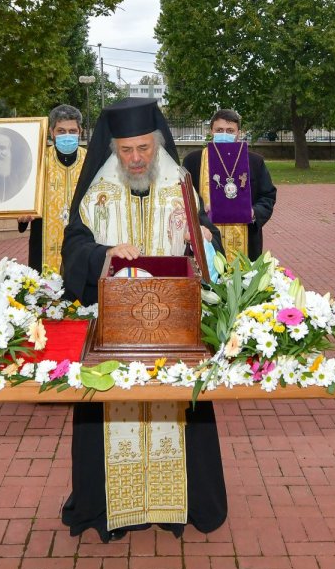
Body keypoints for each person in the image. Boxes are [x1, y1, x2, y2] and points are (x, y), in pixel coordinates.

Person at [60, 97, 227, 542]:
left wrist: (206, 239)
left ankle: (182, 503)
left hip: (174, 328)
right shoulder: (96, 192)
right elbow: (72, 253)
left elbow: (212, 254)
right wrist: (104, 254)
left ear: (157, 145)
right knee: (110, 411)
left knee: (179, 410)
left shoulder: (181, 186)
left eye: (144, 149)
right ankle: (111, 507)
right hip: (114, 328)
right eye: (126, 150)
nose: (135, 159)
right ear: (113, 149)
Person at [181, 108, 277, 260]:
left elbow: (267, 196)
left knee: (244, 282)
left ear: (239, 132)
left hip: (246, 242)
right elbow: (182, 197)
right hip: (205, 238)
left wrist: (253, 213)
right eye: (219, 129)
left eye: (230, 130)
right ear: (211, 131)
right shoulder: (193, 161)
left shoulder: (254, 162)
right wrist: (199, 210)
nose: (224, 134)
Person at [18, 104, 87, 273]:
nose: (67, 135)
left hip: (83, 240)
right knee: (42, 292)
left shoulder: (90, 161)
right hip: (42, 239)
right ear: (51, 132)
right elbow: (24, 195)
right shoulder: (37, 160)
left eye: (72, 131)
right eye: (61, 131)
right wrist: (22, 214)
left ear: (80, 131)